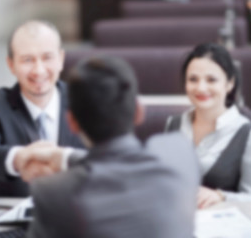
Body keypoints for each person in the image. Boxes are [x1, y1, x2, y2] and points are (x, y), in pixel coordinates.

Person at [27, 56, 200, 238]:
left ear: (72, 122)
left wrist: (66, 159)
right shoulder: (180, 154)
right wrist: (66, 158)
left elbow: (111, 163)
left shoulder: (54, 193)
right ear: (139, 111)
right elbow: (119, 161)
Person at [0, 20, 85, 197]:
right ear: (11, 65)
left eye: (47, 58)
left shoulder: (85, 100)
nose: (39, 71)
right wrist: (19, 159)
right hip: (14, 219)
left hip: (79, 215)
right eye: (27, 60)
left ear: (61, 59)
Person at [165, 43, 251, 217]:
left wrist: (221, 196)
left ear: (229, 84)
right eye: (193, 79)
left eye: (211, 80)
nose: (200, 88)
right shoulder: (173, 125)